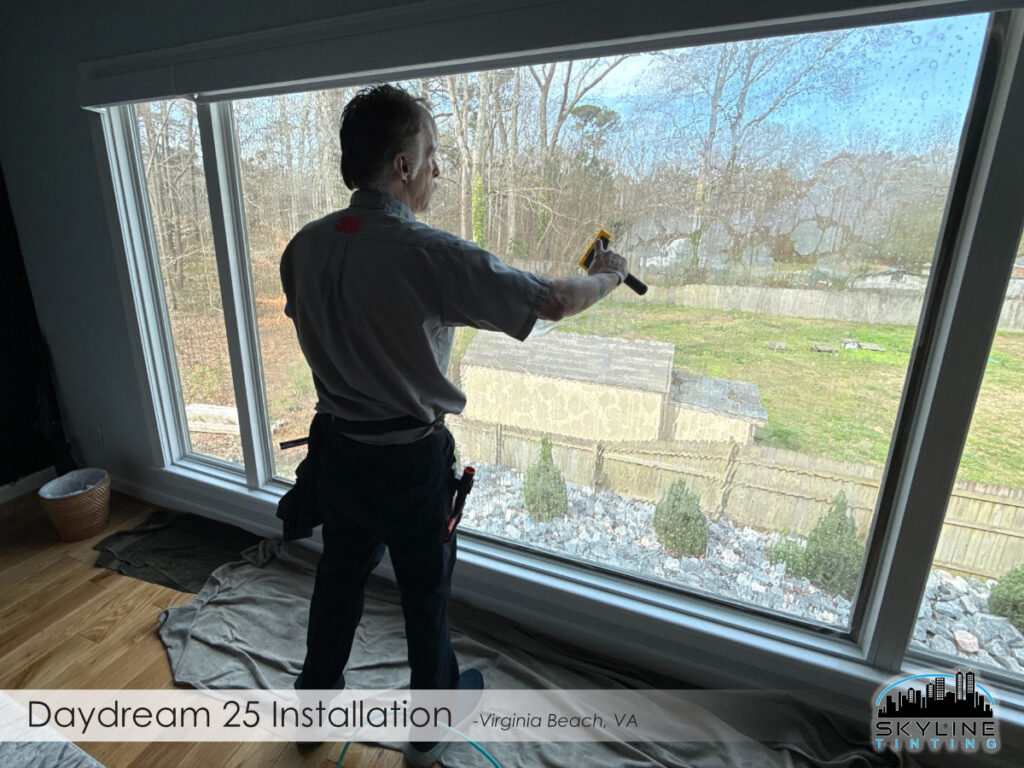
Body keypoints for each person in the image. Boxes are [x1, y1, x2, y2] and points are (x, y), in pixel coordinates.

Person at [278, 83, 628, 765]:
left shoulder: (304, 247)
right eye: (431, 154)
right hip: (408, 466)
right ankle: (429, 725)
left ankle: (313, 708)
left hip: (339, 455)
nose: (438, 169)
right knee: (424, 593)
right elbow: (555, 300)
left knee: (339, 578)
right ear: (402, 165)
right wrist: (610, 274)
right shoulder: (428, 254)